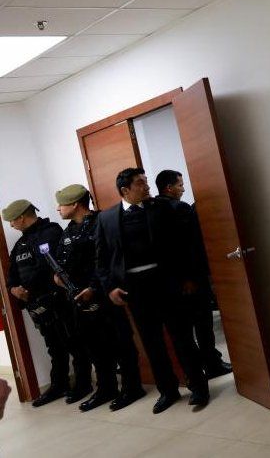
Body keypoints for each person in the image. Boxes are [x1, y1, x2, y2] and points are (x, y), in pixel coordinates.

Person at [94, 168, 210, 413]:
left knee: (182, 337)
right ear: (125, 190)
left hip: (166, 283)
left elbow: (183, 245)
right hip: (135, 291)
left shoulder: (163, 208)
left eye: (146, 182)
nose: (147, 187)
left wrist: (188, 277)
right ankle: (167, 391)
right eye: (140, 183)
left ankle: (198, 388)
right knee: (152, 343)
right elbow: (102, 260)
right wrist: (110, 288)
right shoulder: (106, 219)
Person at [53, 184, 145, 412]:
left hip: (104, 295)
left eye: (61, 203)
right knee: (95, 347)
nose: (58, 208)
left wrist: (94, 287)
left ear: (75, 204)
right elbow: (62, 263)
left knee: (120, 341)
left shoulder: (102, 222)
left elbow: (110, 259)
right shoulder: (68, 231)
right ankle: (106, 388)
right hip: (78, 299)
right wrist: (58, 278)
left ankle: (133, 387)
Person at [2, 199, 91, 407]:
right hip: (38, 307)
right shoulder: (20, 244)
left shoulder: (51, 232)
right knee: (54, 347)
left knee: (74, 343)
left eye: (12, 220)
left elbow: (47, 266)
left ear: (21, 216)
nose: (11, 225)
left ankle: (84, 384)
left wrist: (28, 290)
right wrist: (15, 289)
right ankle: (59, 385)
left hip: (58, 302)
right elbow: (12, 275)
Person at [155, 169, 232, 379]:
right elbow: (187, 247)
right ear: (169, 188)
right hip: (191, 278)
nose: (183, 188)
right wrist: (191, 277)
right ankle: (212, 363)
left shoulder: (152, 209)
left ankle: (200, 366)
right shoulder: (178, 208)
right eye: (180, 184)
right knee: (203, 323)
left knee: (185, 330)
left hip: (169, 282)